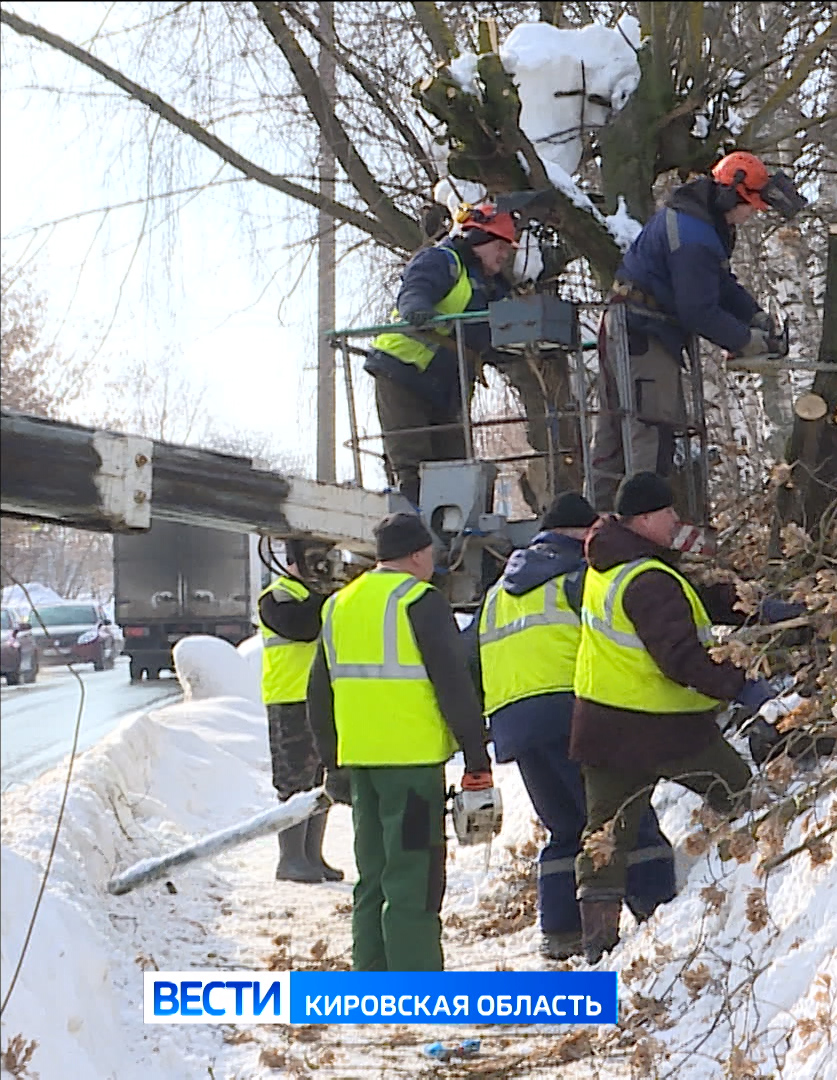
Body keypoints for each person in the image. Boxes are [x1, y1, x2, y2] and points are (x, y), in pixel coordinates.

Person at [570, 473, 782, 961]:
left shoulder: (612, 566)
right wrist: (744, 687)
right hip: (665, 728)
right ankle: (761, 881)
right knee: (741, 795)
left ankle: (596, 948)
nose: (675, 522)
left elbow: (690, 601)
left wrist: (756, 609)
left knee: (604, 835)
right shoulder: (645, 577)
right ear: (645, 519)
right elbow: (682, 656)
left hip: (603, 727)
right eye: (668, 513)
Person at [475, 491, 677, 961]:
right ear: (586, 532)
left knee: (565, 828)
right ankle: (660, 915)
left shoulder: (496, 594)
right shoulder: (581, 577)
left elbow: (471, 659)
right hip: (575, 712)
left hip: (516, 723)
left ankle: (561, 932)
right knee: (627, 818)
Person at [306, 513, 494, 972]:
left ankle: (369, 972)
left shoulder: (339, 605)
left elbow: (318, 692)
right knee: (414, 873)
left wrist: (333, 762)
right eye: (430, 553)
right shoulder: (420, 600)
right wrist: (475, 754)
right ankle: (417, 981)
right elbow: (453, 684)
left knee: (372, 873)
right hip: (411, 767)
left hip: (360, 765)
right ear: (416, 554)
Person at [592, 152, 810, 508]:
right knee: (649, 428)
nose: (752, 213)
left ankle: (601, 521)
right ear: (731, 196)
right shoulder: (694, 235)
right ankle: (640, 522)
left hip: (635, 323)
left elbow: (720, 284)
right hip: (642, 329)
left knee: (616, 432)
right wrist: (745, 340)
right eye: (750, 205)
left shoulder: (700, 222)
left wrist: (755, 316)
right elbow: (698, 309)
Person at [364, 203, 517, 506]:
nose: (504, 254)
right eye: (499, 246)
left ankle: (451, 532)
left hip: (447, 387)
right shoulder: (442, 261)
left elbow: (496, 334)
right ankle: (415, 530)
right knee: (413, 464)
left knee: (456, 467)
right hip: (403, 373)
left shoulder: (493, 288)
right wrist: (417, 310)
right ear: (478, 240)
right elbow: (416, 287)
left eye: (507, 249)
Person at [256, 538, 340, 884]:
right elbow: (304, 627)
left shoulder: (318, 597)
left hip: (320, 698)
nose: (322, 567)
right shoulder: (277, 597)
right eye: (315, 560)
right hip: (289, 699)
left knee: (320, 779)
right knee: (294, 781)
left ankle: (311, 856)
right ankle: (290, 859)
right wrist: (329, 597)